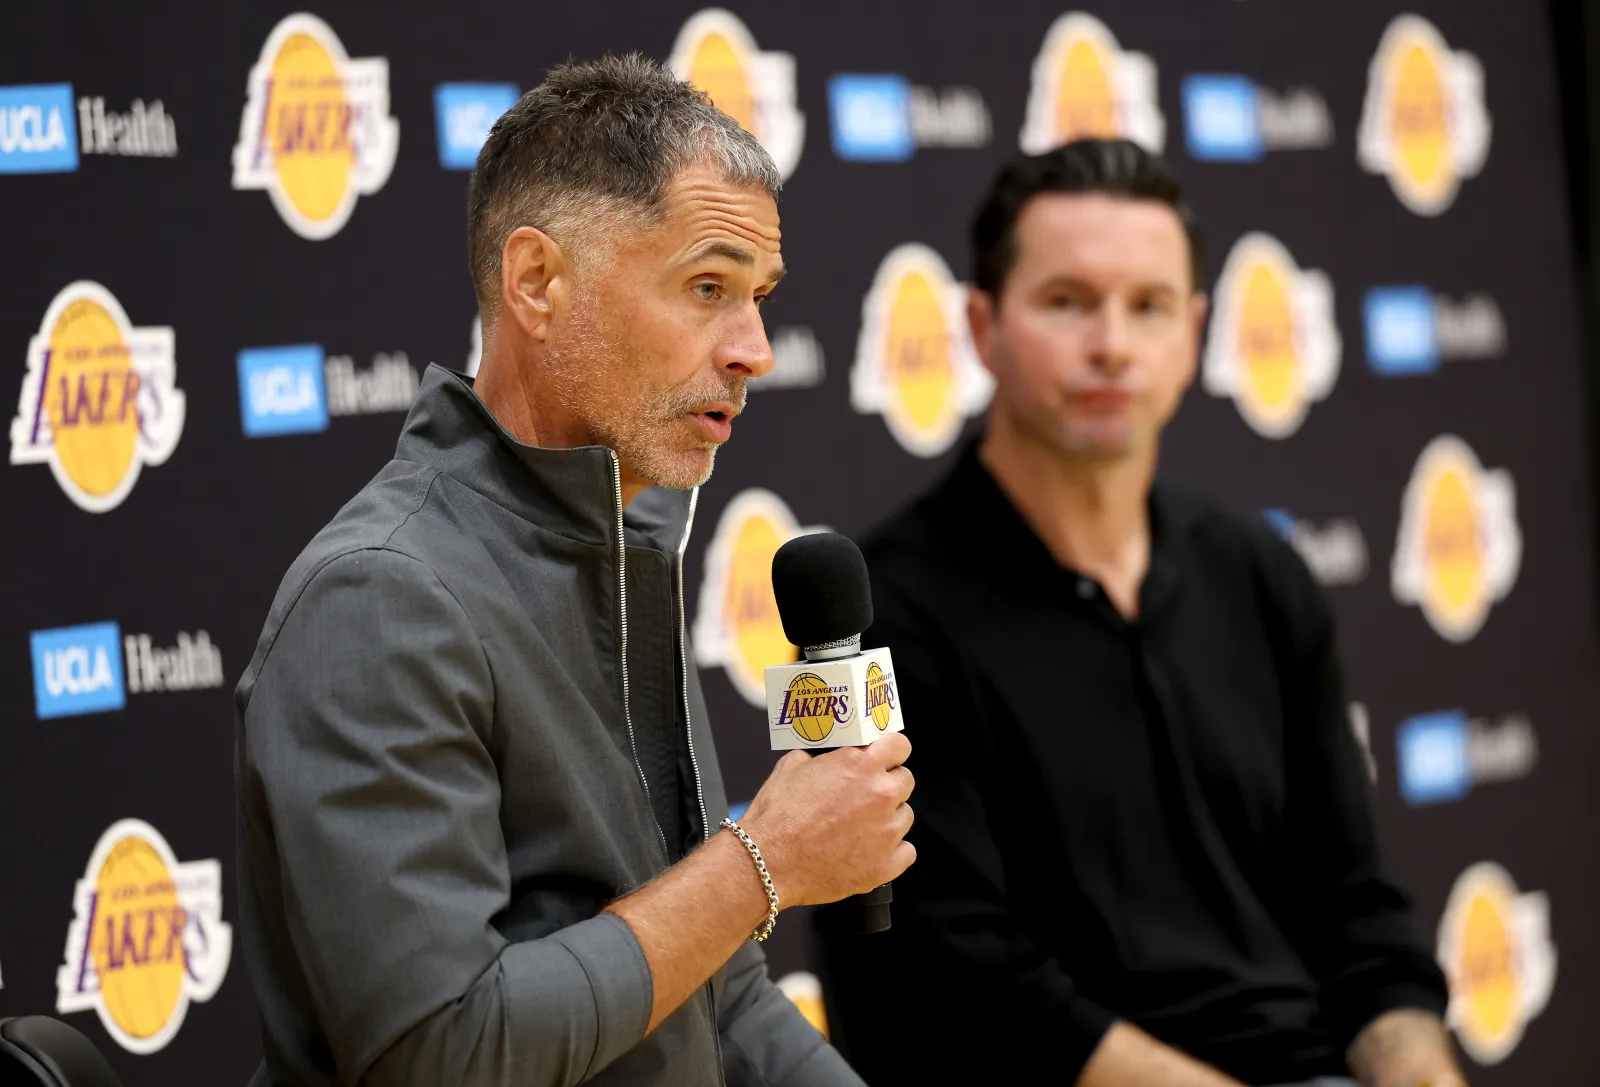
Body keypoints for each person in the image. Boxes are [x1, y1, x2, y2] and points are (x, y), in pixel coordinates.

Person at [233, 55, 914, 1087]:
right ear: (537, 283)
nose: (756, 349)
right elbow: (442, 1050)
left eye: (759, 298)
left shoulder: (628, 543)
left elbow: (721, 994)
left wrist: (748, 883)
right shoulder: (379, 596)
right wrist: (762, 863)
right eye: (707, 287)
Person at [814, 139, 1465, 1087]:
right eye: (1068, 301)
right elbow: (954, 983)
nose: (1113, 344)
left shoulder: (1260, 573)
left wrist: (1423, 1075)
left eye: (1150, 306)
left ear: (1194, 332)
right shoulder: (886, 615)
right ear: (983, 327)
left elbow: (1358, 915)